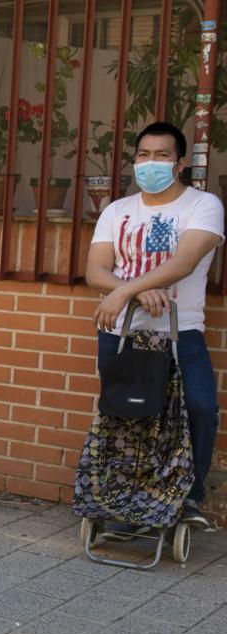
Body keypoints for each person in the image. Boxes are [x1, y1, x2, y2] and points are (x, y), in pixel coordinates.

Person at [86, 121, 223, 536]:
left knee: (200, 410)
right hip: (121, 333)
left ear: (179, 163)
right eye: (143, 155)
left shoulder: (203, 205)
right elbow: (94, 270)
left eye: (161, 156)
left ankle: (188, 497)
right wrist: (135, 293)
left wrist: (124, 290)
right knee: (126, 417)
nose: (151, 163)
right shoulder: (117, 211)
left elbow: (183, 263)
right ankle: (125, 501)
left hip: (182, 333)